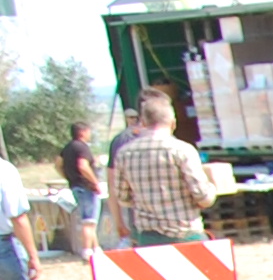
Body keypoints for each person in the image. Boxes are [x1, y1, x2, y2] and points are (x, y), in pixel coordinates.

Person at [109, 90, 212, 246]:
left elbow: (123, 197)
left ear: (143, 122)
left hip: (148, 236)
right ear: (173, 122)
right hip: (185, 234)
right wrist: (211, 188)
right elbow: (203, 197)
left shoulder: (124, 153)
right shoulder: (183, 150)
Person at [58, 123, 103, 256]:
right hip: (86, 186)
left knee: (89, 219)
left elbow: (58, 164)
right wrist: (95, 182)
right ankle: (87, 250)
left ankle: (96, 248)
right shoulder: (82, 147)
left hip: (75, 186)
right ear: (82, 132)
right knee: (89, 221)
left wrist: (68, 176)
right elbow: (83, 166)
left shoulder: (67, 148)